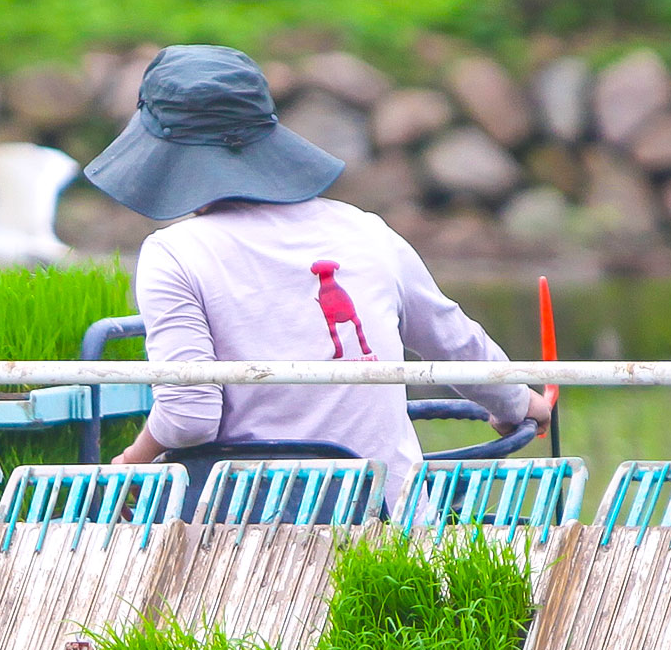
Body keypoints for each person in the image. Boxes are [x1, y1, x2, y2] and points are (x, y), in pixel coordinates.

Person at [83, 44, 543, 514]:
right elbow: (453, 340)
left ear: (167, 157)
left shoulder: (175, 253)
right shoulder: (364, 230)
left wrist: (131, 462)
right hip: (391, 523)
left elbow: (190, 417)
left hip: (249, 528)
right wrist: (516, 402)